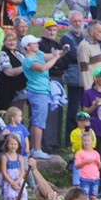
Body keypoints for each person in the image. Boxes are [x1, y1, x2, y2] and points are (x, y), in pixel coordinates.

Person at [21, 34, 65, 159]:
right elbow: (42, 67)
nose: (37, 44)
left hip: (43, 91)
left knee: (39, 121)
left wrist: (61, 52)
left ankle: (36, 148)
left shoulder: (38, 53)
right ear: (28, 47)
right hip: (37, 92)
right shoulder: (29, 60)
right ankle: (37, 149)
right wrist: (56, 58)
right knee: (38, 122)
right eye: (34, 43)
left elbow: (50, 56)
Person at [38, 20, 69, 154]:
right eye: (49, 30)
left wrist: (55, 61)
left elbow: (64, 63)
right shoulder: (40, 44)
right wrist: (55, 60)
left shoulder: (58, 45)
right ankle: (47, 144)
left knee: (58, 111)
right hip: (47, 79)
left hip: (58, 79)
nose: (51, 32)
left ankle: (55, 143)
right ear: (44, 30)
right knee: (49, 112)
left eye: (54, 30)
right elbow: (44, 60)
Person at [61, 11, 86, 140]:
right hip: (74, 78)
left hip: (86, 78)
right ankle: (69, 138)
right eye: (74, 21)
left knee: (85, 108)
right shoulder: (66, 38)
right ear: (70, 23)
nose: (77, 24)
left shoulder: (86, 37)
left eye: (79, 21)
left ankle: (85, 136)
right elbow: (73, 55)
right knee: (73, 109)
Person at [0, 30, 27, 112]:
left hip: (22, 92)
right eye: (9, 40)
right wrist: (25, 66)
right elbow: (9, 72)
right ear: (4, 42)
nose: (12, 43)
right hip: (9, 92)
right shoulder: (3, 54)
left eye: (13, 40)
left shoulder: (19, 54)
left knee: (20, 116)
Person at [0, 134, 27, 200]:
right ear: (7, 145)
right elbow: (4, 171)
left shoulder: (20, 157)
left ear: (18, 145)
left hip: (19, 182)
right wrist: (12, 182)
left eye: (15, 144)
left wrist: (17, 181)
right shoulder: (5, 157)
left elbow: (22, 171)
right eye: (11, 144)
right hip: (9, 183)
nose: (13, 146)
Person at [77, 19, 101, 91]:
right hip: (92, 88)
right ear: (91, 32)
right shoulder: (84, 46)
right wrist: (89, 91)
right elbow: (84, 71)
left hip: (100, 86)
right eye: (100, 32)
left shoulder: (96, 43)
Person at [75, 132, 101, 200]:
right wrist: (85, 162)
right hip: (85, 179)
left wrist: (98, 162)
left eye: (88, 140)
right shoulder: (80, 153)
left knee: (93, 197)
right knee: (84, 197)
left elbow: (99, 167)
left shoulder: (96, 153)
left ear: (92, 141)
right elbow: (77, 166)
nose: (86, 142)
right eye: (84, 140)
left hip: (95, 179)